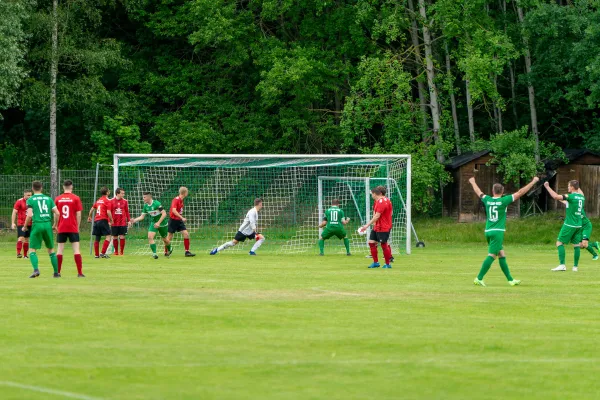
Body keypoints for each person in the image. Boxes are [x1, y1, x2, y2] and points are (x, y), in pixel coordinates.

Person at [469, 176, 539, 287]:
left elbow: (479, 192)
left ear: (492, 191)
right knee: (492, 255)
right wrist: (533, 181)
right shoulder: (504, 201)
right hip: (498, 232)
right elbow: (521, 192)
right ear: (502, 192)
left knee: (501, 254)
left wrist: (473, 182)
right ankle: (478, 278)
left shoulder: (487, 199)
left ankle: (511, 280)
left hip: (488, 230)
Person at [544, 180, 585, 272]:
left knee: (559, 243)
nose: (568, 188)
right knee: (576, 245)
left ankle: (562, 265)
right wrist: (576, 184)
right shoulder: (582, 197)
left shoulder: (569, 196)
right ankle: (575, 267)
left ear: (572, 187)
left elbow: (555, 196)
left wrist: (547, 187)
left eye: (568, 186)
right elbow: (568, 202)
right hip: (578, 225)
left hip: (569, 224)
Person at [22, 181, 60, 278]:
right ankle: (56, 273)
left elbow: (29, 215)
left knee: (32, 249)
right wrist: (55, 225)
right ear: (41, 188)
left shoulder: (30, 200)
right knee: (51, 249)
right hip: (47, 225)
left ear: (33, 189)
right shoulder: (48, 199)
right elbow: (57, 213)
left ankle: (36, 270)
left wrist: (25, 226)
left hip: (37, 224)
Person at [128, 192, 172, 259]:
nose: (143, 199)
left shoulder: (156, 203)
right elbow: (142, 217)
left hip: (162, 223)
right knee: (150, 237)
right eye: (143, 197)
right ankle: (154, 254)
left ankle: (170, 249)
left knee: (165, 239)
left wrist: (158, 223)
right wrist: (134, 220)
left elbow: (164, 214)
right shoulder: (145, 206)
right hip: (153, 223)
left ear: (149, 197)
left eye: (144, 197)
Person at [55, 180, 84, 277]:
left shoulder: (58, 199)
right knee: (76, 250)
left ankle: (57, 273)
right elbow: (79, 214)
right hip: (72, 227)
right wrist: (78, 226)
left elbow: (56, 214)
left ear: (63, 187)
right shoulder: (76, 198)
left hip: (62, 227)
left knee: (59, 250)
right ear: (72, 187)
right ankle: (79, 273)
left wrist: (55, 224)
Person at [360, 186, 393, 269]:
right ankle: (376, 262)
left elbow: (377, 216)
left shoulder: (381, 202)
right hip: (377, 226)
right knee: (371, 242)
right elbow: (390, 213)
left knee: (383, 244)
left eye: (372, 194)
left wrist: (367, 225)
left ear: (375, 194)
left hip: (383, 227)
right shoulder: (383, 200)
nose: (371, 196)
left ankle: (387, 264)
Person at [167, 187, 195, 257]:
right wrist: (182, 217)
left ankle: (187, 252)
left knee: (186, 234)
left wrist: (180, 218)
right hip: (173, 220)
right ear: (185, 193)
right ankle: (166, 251)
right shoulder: (176, 200)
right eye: (187, 192)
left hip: (179, 220)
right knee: (169, 236)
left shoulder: (181, 200)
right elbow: (173, 210)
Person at [88, 187, 113, 258]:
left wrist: (89, 216)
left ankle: (96, 255)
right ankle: (103, 253)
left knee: (97, 237)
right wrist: (111, 219)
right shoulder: (107, 201)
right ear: (107, 193)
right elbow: (108, 212)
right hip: (103, 220)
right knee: (108, 236)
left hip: (96, 221)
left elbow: (92, 208)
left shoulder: (98, 200)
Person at [12, 189, 32, 258]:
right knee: (21, 238)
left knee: (26, 239)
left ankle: (25, 255)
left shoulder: (32, 202)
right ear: (24, 195)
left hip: (30, 223)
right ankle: (18, 253)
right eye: (28, 195)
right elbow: (14, 212)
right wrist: (13, 223)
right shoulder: (19, 201)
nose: (29, 196)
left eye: (30, 195)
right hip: (21, 223)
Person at [111, 188, 130, 256]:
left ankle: (121, 252)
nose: (123, 194)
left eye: (123, 193)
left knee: (122, 236)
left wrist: (129, 220)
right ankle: (116, 252)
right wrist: (109, 220)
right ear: (117, 193)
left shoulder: (125, 201)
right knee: (115, 237)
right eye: (122, 193)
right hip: (114, 222)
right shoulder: (111, 201)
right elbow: (109, 212)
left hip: (122, 222)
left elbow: (127, 211)